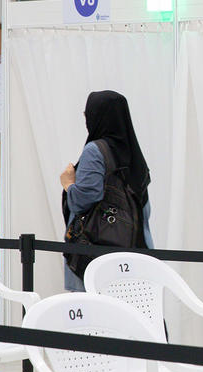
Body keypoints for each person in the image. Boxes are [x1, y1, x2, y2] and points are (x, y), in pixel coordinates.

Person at [60, 90, 153, 292]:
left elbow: (83, 200)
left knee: (92, 316)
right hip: (136, 251)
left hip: (96, 255)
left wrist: (68, 184)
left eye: (88, 114)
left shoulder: (95, 151)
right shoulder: (133, 152)